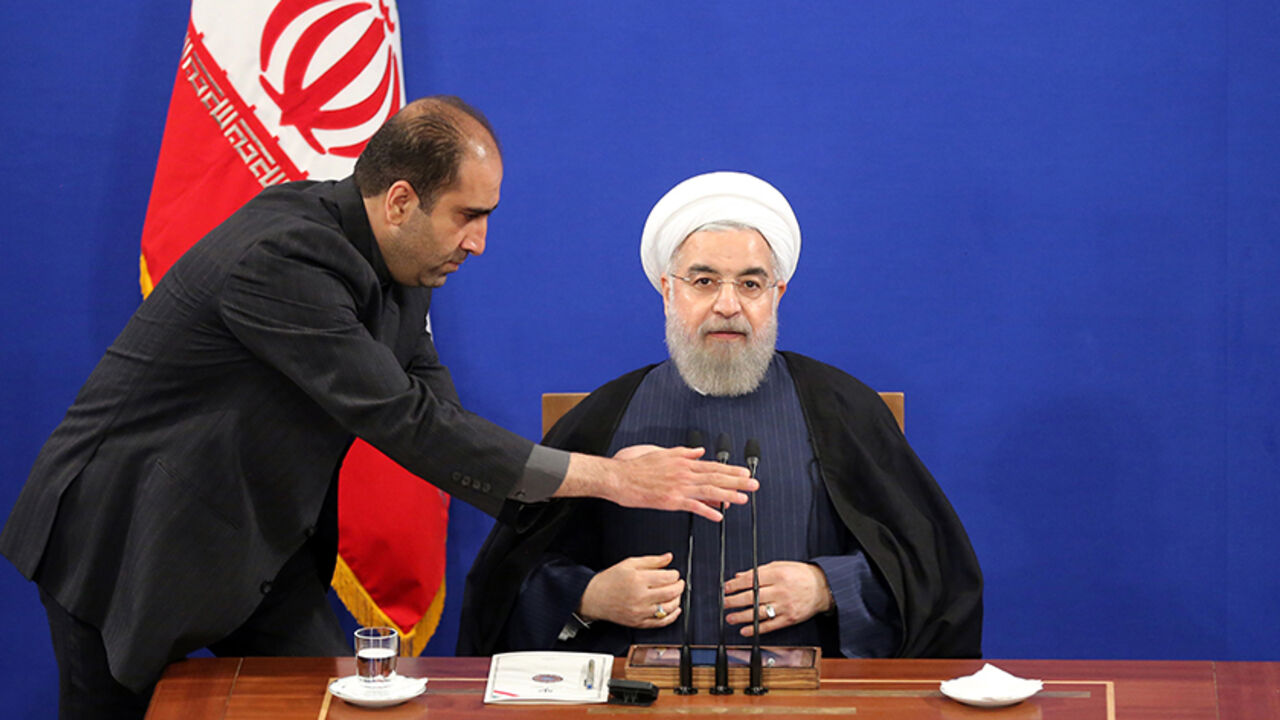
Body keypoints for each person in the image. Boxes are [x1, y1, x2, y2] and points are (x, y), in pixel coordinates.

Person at [0, 97, 755, 719]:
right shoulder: (283, 258)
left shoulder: (407, 264)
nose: (480, 242)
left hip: (261, 543)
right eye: (468, 214)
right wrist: (610, 479)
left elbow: (441, 417)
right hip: (128, 530)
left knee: (343, 706)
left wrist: (572, 533)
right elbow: (402, 419)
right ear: (401, 200)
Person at [458, 171, 983, 660]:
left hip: (809, 705)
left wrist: (827, 588)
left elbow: (936, 576)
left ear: (777, 295)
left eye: (750, 285)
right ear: (668, 290)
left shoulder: (843, 410)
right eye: (704, 282)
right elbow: (504, 584)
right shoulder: (604, 417)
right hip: (637, 705)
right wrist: (590, 595)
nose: (728, 305)